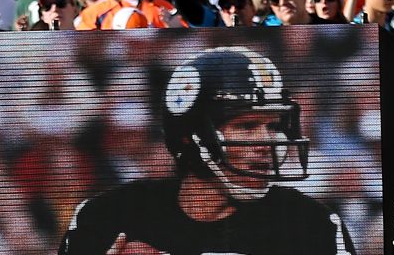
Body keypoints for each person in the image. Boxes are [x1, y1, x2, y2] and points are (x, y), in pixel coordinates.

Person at [59, 47, 356, 254]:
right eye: (248, 125)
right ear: (191, 136)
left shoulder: (312, 224)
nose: (269, 142)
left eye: (274, 126)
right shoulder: (106, 217)